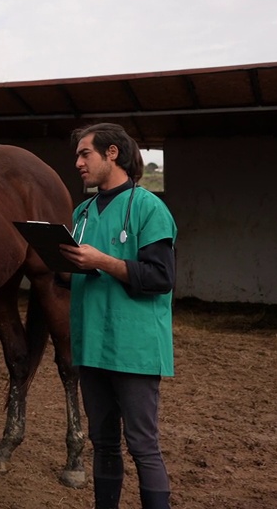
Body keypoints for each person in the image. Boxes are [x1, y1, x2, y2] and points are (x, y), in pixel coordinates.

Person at [57, 123, 178, 509]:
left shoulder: (148, 207)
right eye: (77, 155)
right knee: (103, 443)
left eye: (85, 154)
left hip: (134, 347)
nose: (78, 162)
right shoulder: (82, 211)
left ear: (112, 154)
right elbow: (73, 278)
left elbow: (161, 277)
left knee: (143, 445)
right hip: (92, 344)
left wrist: (103, 261)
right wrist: (60, 265)